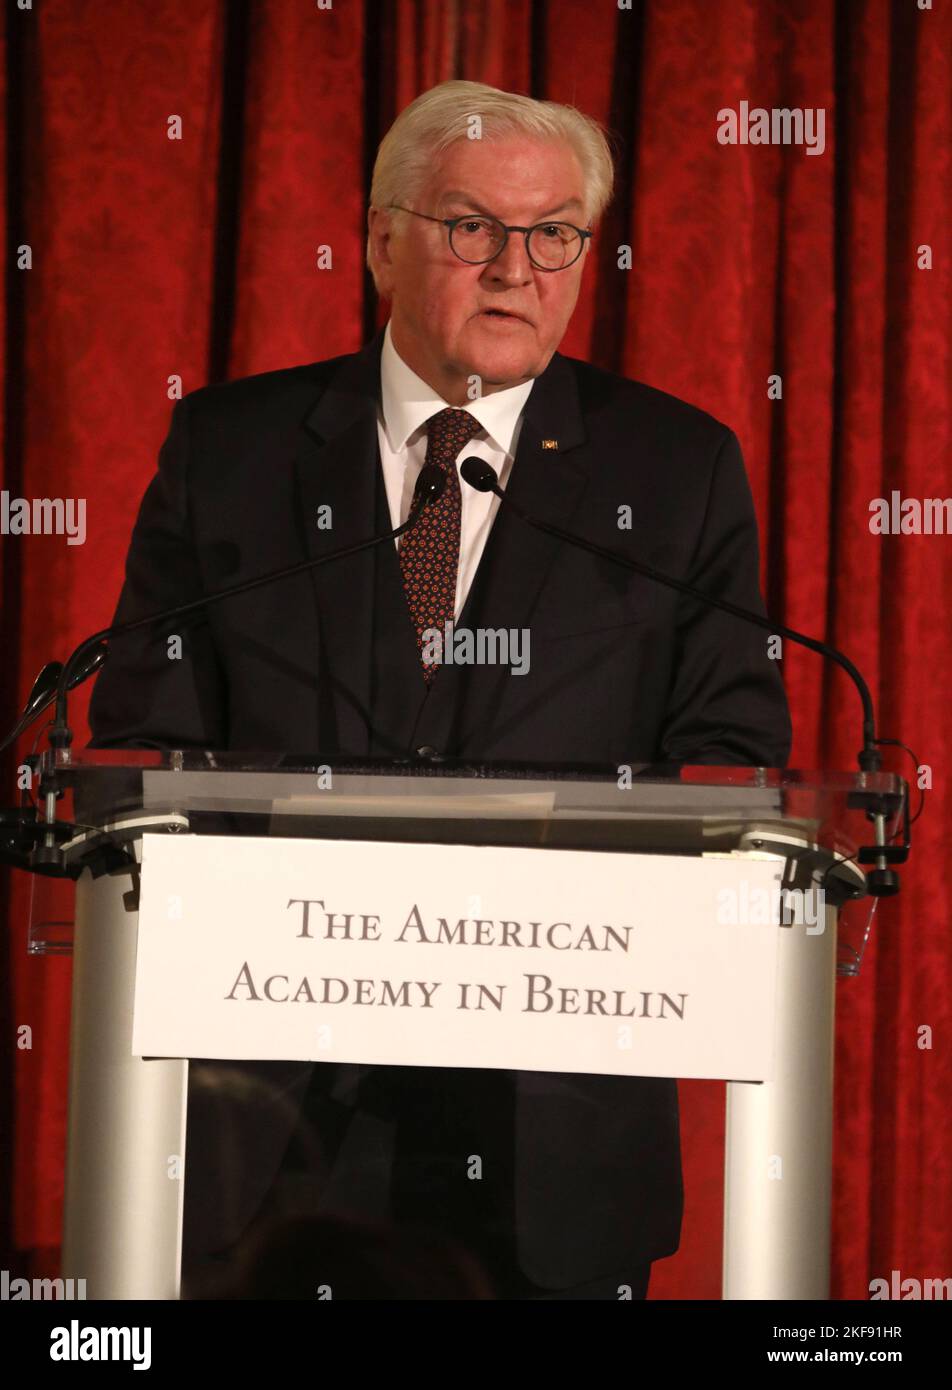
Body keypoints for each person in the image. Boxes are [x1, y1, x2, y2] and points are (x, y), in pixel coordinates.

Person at [88, 79, 792, 1300]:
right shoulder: (234, 450)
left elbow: (730, 748)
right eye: (471, 226)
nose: (516, 268)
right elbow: (145, 731)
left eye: (555, 233)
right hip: (274, 1108)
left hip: (554, 1122)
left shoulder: (674, 468)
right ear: (378, 239)